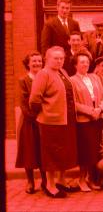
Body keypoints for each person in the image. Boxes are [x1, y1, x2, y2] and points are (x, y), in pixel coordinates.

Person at [29, 46, 78, 198]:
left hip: (66, 119)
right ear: (47, 59)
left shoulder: (62, 72)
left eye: (61, 58)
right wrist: (45, 113)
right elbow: (34, 99)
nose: (59, 61)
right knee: (51, 154)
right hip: (50, 121)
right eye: (55, 58)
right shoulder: (43, 74)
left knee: (63, 152)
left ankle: (61, 181)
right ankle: (50, 185)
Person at [70, 50, 103, 192]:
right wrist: (91, 112)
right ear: (75, 65)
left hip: (98, 119)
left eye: (87, 61)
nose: (85, 64)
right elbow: (73, 103)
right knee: (86, 152)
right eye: (82, 62)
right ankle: (81, 179)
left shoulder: (95, 77)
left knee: (95, 152)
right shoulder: (72, 81)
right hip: (84, 121)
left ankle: (90, 179)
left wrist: (99, 110)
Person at [15, 51, 47, 194]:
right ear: (28, 64)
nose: (37, 64)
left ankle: (46, 180)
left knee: (43, 150)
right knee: (28, 150)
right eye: (34, 61)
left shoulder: (46, 78)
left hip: (44, 120)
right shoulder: (24, 80)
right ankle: (30, 181)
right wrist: (35, 117)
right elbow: (23, 103)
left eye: (39, 61)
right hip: (29, 121)